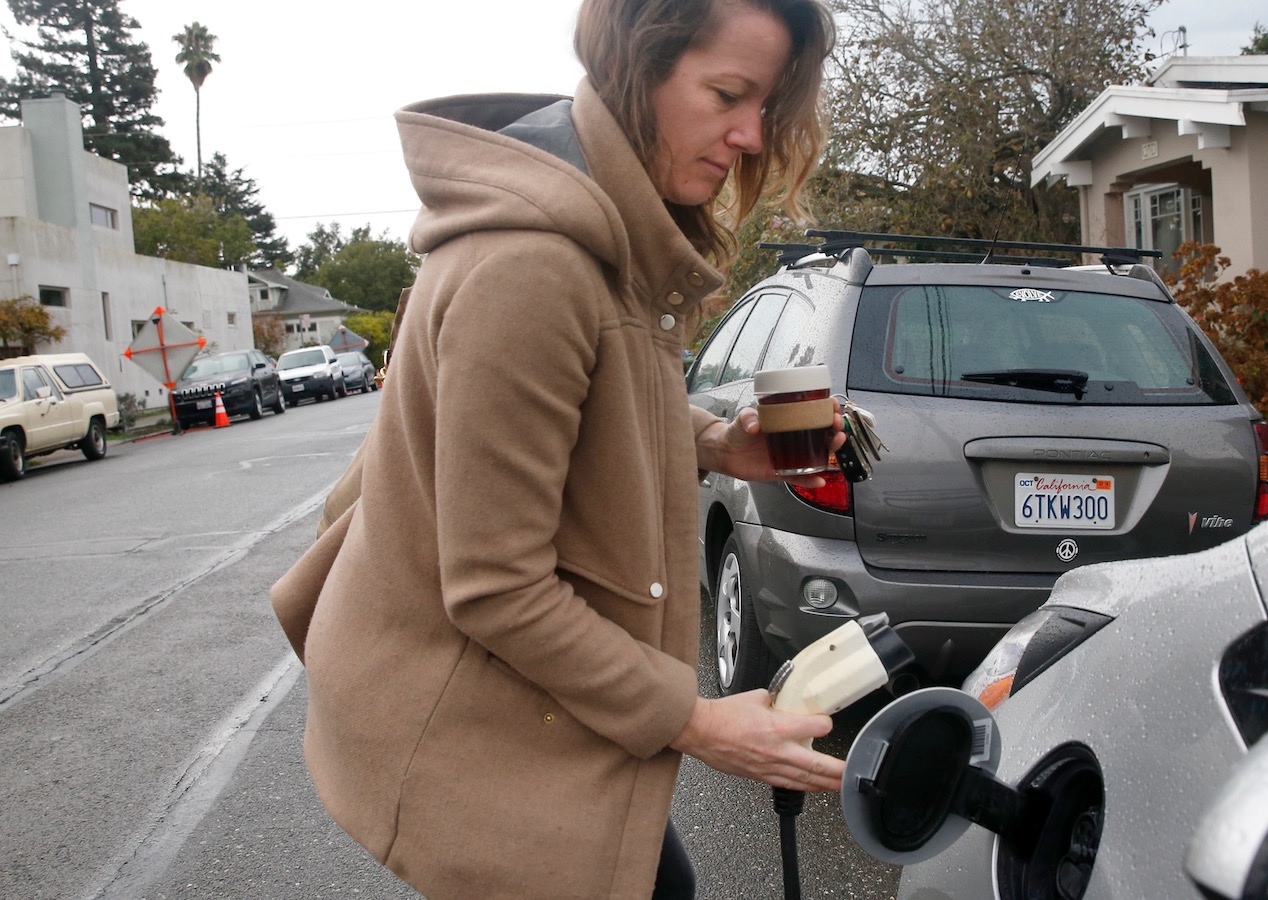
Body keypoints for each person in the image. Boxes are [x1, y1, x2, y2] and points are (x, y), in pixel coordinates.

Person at [268, 0, 840, 896]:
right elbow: (496, 587)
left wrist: (722, 446)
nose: (749, 135)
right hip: (478, 730)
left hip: (533, 719)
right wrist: (696, 720)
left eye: (765, 105)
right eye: (729, 93)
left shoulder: (611, 234)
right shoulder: (534, 268)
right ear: (636, 66)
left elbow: (593, 406)